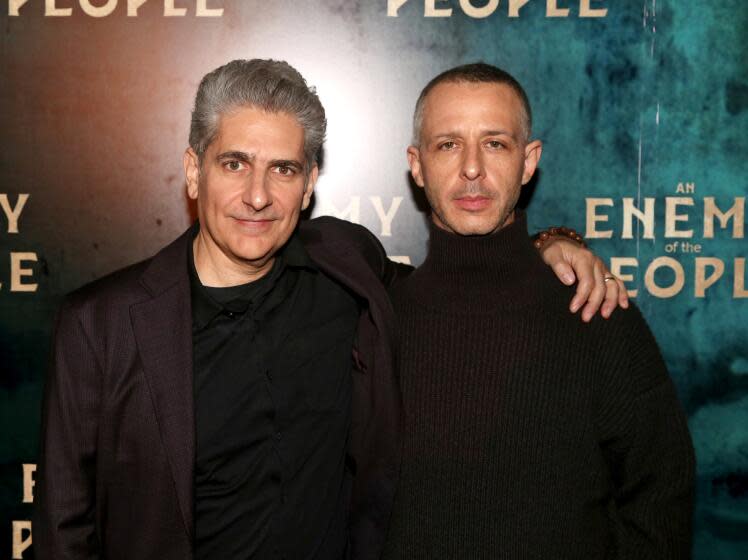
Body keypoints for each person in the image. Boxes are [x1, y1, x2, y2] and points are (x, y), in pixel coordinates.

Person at [34, 59, 624, 560]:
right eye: (235, 163)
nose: (258, 195)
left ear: (310, 181)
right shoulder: (100, 324)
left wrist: (550, 244)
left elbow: (460, 288)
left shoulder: (345, 268)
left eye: (283, 169)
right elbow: (64, 529)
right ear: (194, 171)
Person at [382, 63, 696, 559]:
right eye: (447, 144)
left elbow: (661, 500)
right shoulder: (376, 323)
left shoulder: (596, 313)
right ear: (416, 165)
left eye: (495, 143)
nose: (471, 168)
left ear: (529, 162)